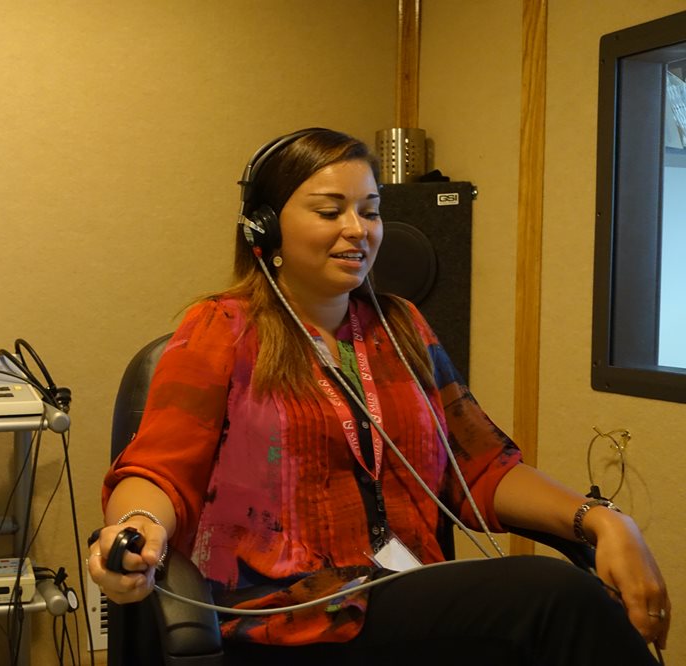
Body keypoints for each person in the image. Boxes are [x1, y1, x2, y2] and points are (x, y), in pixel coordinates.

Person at [88, 128, 670, 664]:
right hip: (288, 617)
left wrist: (604, 521)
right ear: (264, 228)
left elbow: (484, 467)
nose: (357, 229)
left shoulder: (401, 326)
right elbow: (158, 469)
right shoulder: (223, 328)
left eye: (370, 212)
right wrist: (136, 528)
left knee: (570, 604)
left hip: (405, 596)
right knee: (554, 595)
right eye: (329, 211)